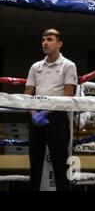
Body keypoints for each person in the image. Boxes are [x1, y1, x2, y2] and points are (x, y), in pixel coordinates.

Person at [24, 28, 78, 191]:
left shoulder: (68, 65)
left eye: (49, 39)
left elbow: (68, 94)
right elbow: (28, 93)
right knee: (35, 162)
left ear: (59, 44)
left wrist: (46, 113)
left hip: (57, 117)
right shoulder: (35, 67)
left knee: (60, 162)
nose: (45, 42)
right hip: (36, 116)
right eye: (43, 40)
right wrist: (34, 114)